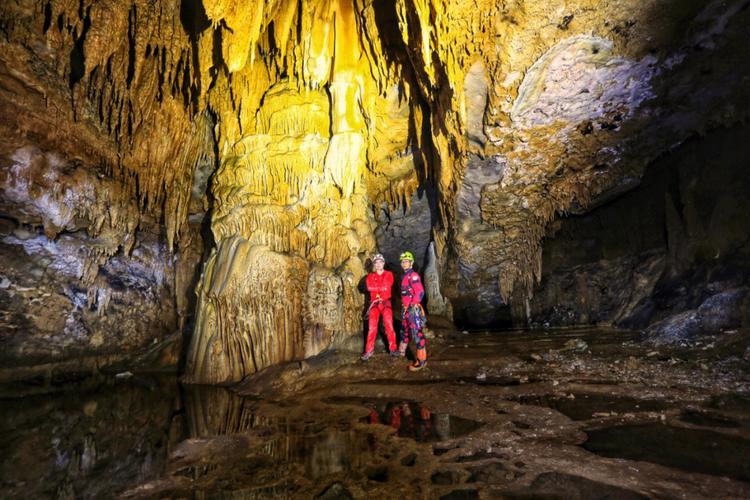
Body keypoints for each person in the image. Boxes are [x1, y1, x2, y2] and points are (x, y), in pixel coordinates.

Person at [361, 253, 399, 361]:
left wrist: (377, 287)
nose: (378, 264)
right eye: (376, 262)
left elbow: (387, 286)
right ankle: (368, 350)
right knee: (372, 328)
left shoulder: (389, 274)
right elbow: (369, 287)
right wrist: (380, 288)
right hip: (374, 304)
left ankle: (393, 348)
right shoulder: (370, 276)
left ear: (383, 263)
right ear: (374, 264)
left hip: (386, 303)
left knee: (389, 326)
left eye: (380, 262)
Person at [399, 251, 428, 371]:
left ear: (411, 263)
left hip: (412, 309)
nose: (404, 263)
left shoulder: (413, 275)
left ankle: (422, 360)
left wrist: (413, 304)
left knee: (416, 333)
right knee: (404, 330)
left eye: (406, 261)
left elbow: (420, 292)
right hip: (406, 309)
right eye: (403, 262)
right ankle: (401, 352)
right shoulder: (404, 276)